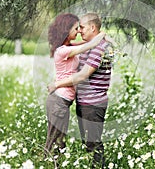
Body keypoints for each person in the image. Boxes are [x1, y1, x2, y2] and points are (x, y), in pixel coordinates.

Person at [48, 13, 114, 168]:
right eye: (77, 28)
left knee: (93, 144)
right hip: (83, 103)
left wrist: (57, 84)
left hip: (93, 104)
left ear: (92, 27)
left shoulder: (99, 48)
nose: (79, 31)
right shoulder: (88, 46)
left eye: (82, 27)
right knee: (88, 143)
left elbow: (83, 75)